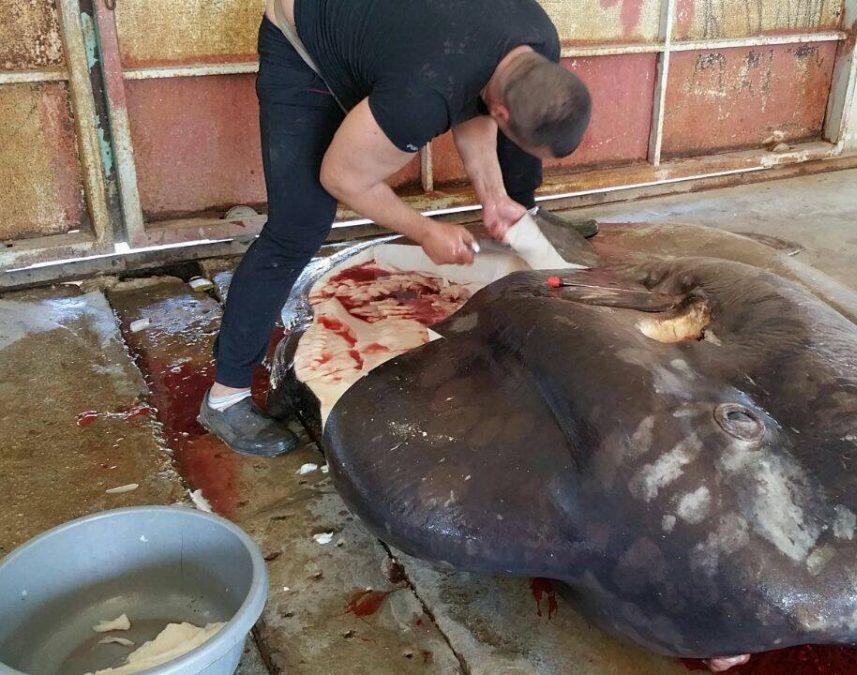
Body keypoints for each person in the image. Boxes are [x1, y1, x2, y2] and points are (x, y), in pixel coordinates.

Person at [198, 0, 593, 456]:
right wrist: (424, 230)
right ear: (507, 114)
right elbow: (342, 176)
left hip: (399, 39)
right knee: (298, 227)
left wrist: (495, 197)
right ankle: (226, 398)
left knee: (444, 105)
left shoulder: (537, 37)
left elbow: (476, 104)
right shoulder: (423, 93)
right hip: (304, 43)